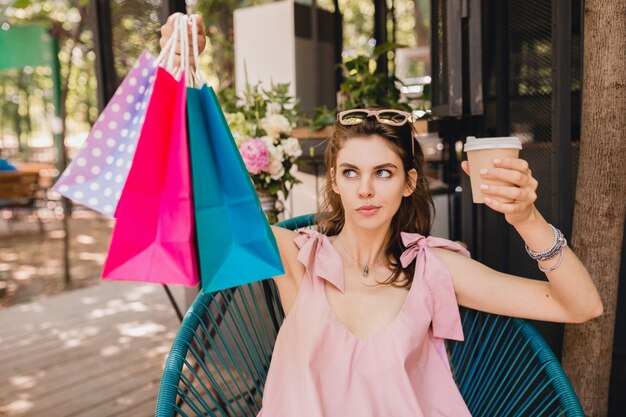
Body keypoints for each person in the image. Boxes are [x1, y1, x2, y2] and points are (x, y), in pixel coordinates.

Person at [161, 14, 603, 417]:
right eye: (351, 172)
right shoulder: (295, 256)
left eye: (384, 172)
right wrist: (179, 73)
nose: (366, 189)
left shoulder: (434, 268)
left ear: (409, 182)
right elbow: (190, 196)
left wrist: (526, 218)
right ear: (333, 179)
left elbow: (581, 305)